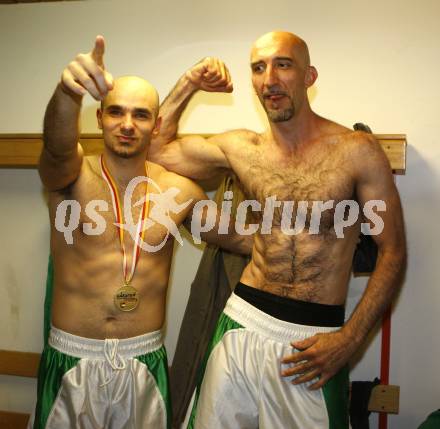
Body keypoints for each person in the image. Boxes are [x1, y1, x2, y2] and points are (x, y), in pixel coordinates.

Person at [151, 30, 407, 428]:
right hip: (241, 324)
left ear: (309, 76)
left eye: (283, 65)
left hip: (313, 343)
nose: (269, 79)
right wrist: (189, 83)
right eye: (258, 68)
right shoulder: (241, 148)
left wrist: (350, 340)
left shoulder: (356, 151)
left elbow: (393, 251)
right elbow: (156, 150)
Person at [32, 36, 250, 429]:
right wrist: (68, 91)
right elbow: (57, 148)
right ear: (98, 118)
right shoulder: (70, 177)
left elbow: (240, 238)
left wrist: (322, 229)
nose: (128, 125)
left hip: (144, 362)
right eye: (116, 112)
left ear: (157, 124)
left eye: (141, 115)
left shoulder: (179, 191)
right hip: (72, 362)